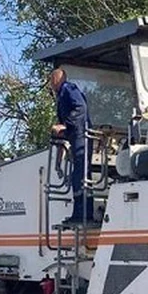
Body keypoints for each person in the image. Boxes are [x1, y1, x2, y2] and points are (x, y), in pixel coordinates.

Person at [49, 68, 93, 224]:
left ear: (57, 79)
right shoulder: (62, 94)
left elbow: (81, 107)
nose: (50, 84)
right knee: (79, 175)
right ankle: (80, 213)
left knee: (80, 175)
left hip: (82, 136)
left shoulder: (68, 88)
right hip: (76, 137)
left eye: (51, 79)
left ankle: (83, 214)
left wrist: (65, 125)